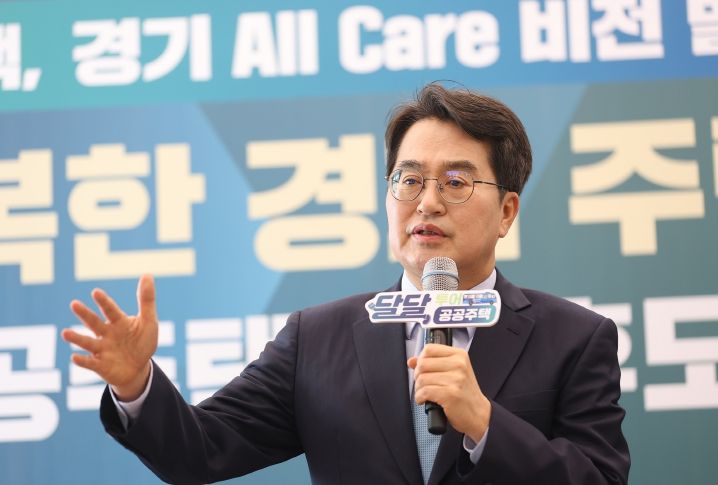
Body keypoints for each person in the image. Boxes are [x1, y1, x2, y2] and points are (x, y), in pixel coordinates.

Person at [63, 83, 630, 485]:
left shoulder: (575, 339)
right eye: (409, 179)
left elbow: (600, 478)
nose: (427, 202)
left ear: (507, 211)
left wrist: (484, 423)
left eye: (456, 182)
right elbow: (199, 451)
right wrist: (136, 384)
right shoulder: (318, 338)